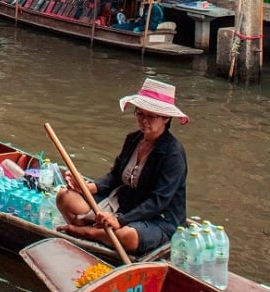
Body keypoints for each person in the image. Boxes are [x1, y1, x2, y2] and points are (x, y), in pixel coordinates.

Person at [55, 77, 188, 255]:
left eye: (151, 116)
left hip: (158, 219)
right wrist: (86, 187)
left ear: (166, 119)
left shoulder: (173, 154)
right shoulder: (133, 139)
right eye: (140, 113)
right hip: (124, 204)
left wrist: (122, 221)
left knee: (128, 236)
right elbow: (115, 176)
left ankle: (88, 233)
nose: (144, 120)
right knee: (64, 197)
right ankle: (102, 235)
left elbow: (158, 202)